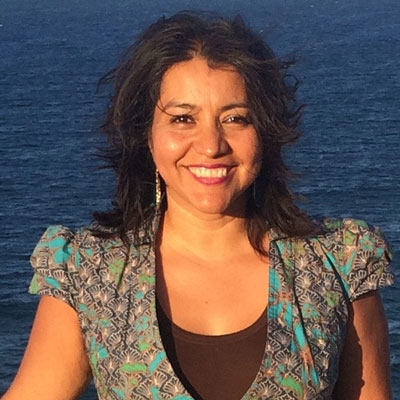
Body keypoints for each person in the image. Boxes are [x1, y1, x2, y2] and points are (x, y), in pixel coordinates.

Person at [2, 11, 395, 400]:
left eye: (236, 118)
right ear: (147, 134)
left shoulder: (337, 265)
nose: (211, 145)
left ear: (266, 132)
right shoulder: (92, 272)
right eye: (183, 119)